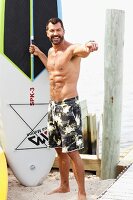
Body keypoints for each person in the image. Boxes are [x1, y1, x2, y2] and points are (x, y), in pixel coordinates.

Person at [29, 17, 98, 200]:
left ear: (63, 31)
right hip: (53, 107)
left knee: (73, 152)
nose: (55, 33)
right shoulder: (51, 52)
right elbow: (52, 70)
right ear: (47, 33)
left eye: (58, 30)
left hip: (68, 106)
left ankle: (82, 193)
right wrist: (38, 53)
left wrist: (89, 45)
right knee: (59, 149)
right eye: (52, 31)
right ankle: (64, 186)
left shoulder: (72, 49)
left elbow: (83, 49)